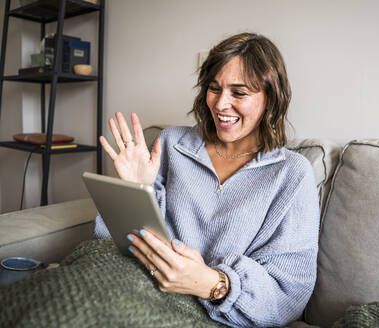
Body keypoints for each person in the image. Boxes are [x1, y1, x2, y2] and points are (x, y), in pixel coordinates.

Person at [93, 32, 320, 327]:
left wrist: (212, 284)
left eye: (239, 93)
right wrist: (135, 190)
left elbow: (289, 296)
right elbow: (108, 242)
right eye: (214, 88)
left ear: (270, 98)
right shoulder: (171, 143)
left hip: (213, 317)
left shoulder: (292, 174)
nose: (221, 104)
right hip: (137, 288)